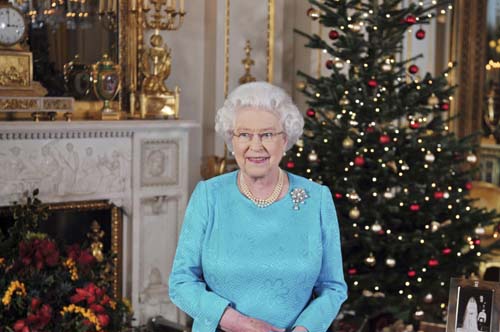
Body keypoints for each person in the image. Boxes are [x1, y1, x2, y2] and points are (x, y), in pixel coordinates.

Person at [169, 82, 348, 332]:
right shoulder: (209, 196)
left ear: (284, 140)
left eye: (267, 134)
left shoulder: (316, 199)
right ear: (232, 140)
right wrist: (240, 323)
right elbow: (180, 283)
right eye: (244, 134)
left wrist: (304, 330)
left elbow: (333, 288)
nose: (256, 146)